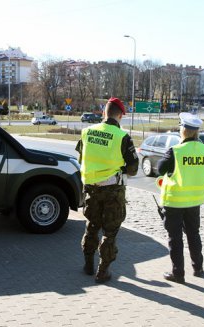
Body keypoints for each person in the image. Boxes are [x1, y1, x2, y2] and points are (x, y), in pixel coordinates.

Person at [75, 97, 139, 283]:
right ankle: (103, 271)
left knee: (92, 227)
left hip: (91, 190)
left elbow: (81, 159)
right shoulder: (122, 137)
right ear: (119, 115)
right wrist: (121, 169)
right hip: (112, 191)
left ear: (104, 112)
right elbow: (133, 169)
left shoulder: (87, 132)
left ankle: (88, 265)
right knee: (110, 233)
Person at [155, 112, 204, 284]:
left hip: (175, 202)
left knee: (175, 238)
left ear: (183, 130)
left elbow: (160, 169)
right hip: (194, 201)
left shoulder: (176, 151)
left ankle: (178, 273)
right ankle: (198, 268)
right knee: (194, 234)